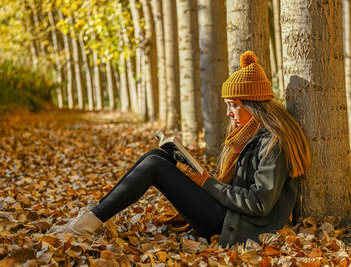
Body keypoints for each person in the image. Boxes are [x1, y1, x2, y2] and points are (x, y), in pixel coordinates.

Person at [48, 51, 311, 247]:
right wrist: (197, 173)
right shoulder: (250, 133)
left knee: (154, 167)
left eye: (234, 105)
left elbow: (259, 204)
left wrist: (206, 182)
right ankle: (89, 219)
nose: (229, 113)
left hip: (240, 225)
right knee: (156, 155)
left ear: (254, 105)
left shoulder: (273, 142)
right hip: (229, 213)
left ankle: (86, 225)